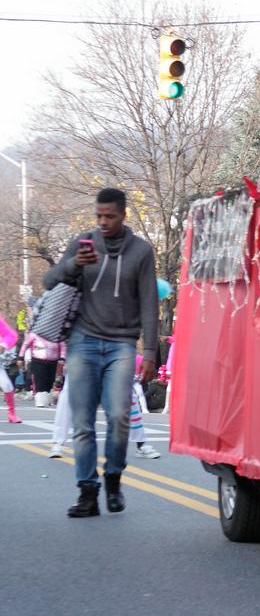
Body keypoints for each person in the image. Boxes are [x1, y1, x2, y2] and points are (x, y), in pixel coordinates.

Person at [42, 188, 158, 518]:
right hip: (83, 342)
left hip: (122, 344)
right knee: (82, 423)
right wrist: (73, 265)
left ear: (123, 215)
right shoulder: (83, 243)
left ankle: (114, 478)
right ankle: (87, 492)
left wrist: (149, 351)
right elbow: (48, 281)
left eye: (110, 216)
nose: (103, 222)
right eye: (99, 216)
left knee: (120, 417)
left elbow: (149, 302)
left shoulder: (141, 251)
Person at [19, 331, 66, 407]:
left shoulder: (57, 334)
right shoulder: (34, 334)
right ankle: (40, 401)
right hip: (38, 360)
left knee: (50, 380)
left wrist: (62, 358)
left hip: (53, 360)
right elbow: (25, 344)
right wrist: (20, 357)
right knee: (39, 380)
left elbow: (63, 346)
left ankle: (47, 398)